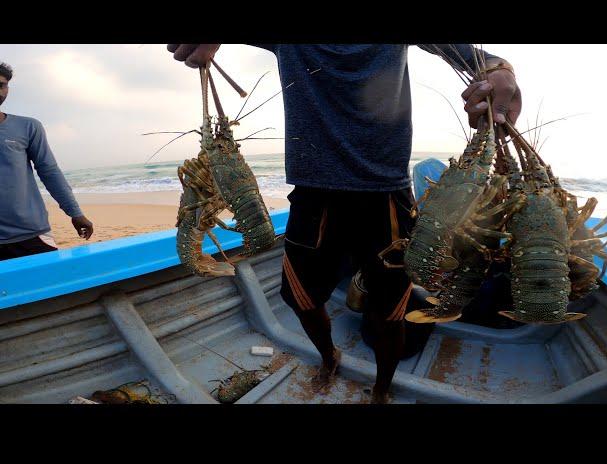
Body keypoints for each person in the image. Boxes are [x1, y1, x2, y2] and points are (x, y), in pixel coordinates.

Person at [167, 44, 521, 403]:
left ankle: (382, 387)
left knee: (390, 313)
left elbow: (478, 57)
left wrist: (501, 72)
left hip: (385, 197)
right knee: (300, 299)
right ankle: (328, 356)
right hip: (312, 195)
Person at [0, 62, 94, 261]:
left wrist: (74, 213)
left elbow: (49, 171)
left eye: (1, 85)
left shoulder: (28, 127)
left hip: (30, 234)